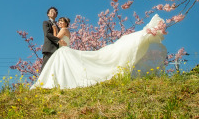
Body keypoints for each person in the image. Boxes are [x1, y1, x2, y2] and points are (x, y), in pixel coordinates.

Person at [31, 14, 168, 90]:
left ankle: (59, 83)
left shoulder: (63, 30)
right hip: (64, 49)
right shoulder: (66, 30)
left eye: (61, 21)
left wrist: (54, 28)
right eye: (59, 22)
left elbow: (56, 37)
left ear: (66, 24)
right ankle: (60, 82)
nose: (60, 23)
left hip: (64, 51)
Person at [40, 6, 61, 73]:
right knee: (45, 67)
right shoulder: (46, 23)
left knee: (55, 69)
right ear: (48, 14)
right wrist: (58, 40)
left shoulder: (59, 26)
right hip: (49, 48)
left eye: (55, 12)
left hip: (57, 49)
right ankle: (41, 83)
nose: (53, 13)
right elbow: (47, 34)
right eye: (51, 11)